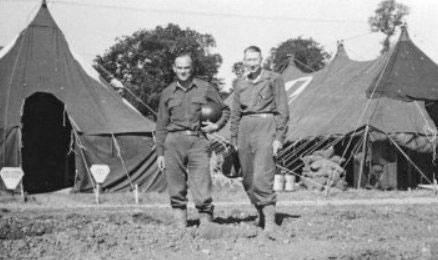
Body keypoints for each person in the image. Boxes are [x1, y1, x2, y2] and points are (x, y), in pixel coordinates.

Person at [155, 53, 230, 228]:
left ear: (192, 68)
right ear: (174, 69)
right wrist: (160, 153)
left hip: (198, 140)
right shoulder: (167, 92)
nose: (183, 71)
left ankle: (206, 225)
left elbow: (225, 109)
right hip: (173, 142)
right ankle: (180, 226)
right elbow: (161, 125)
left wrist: (215, 126)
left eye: (186, 67)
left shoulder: (205, 88)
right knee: (176, 185)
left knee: (201, 183)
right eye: (179, 68)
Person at [230, 46, 289, 232]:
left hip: (266, 125)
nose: (252, 64)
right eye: (248, 60)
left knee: (262, 176)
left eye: (255, 60)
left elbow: (282, 110)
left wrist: (279, 137)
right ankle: (261, 214)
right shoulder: (240, 83)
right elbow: (235, 113)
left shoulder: (274, 78)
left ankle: (270, 223)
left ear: (261, 60)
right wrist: (233, 137)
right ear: (244, 61)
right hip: (245, 129)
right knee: (248, 179)